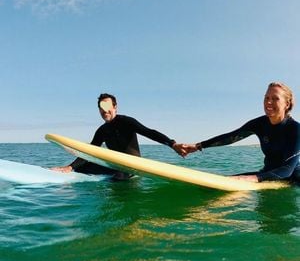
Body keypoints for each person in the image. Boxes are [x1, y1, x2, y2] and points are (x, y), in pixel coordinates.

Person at [183, 82, 300, 183]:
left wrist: (251, 178)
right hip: (266, 174)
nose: (269, 102)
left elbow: (287, 169)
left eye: (275, 98)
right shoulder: (259, 124)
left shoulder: (295, 129)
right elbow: (231, 137)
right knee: (221, 184)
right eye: (266, 98)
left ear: (287, 104)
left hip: (293, 179)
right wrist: (198, 146)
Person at [52, 93, 186, 179]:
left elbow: (149, 132)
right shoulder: (102, 130)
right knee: (82, 168)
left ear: (115, 107)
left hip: (132, 166)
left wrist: (172, 144)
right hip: (114, 165)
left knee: (119, 177)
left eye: (108, 106)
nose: (105, 110)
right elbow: (90, 152)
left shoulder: (127, 122)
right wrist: (70, 167)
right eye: (101, 107)